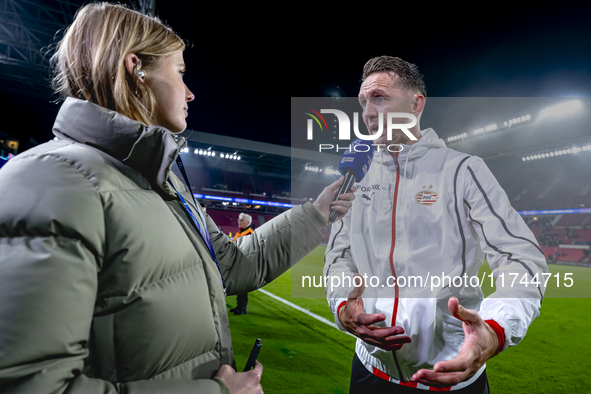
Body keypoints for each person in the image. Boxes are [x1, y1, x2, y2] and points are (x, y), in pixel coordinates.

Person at [0, 3, 356, 393]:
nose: (189, 92)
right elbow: (30, 385)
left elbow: (235, 266)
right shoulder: (51, 180)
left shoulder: (164, 180)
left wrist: (318, 212)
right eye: (180, 72)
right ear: (136, 68)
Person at [324, 56, 548, 392]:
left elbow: (521, 258)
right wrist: (344, 304)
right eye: (363, 102)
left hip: (449, 375)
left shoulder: (463, 171)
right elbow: (339, 256)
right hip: (369, 369)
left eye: (380, 98)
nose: (368, 113)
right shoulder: (357, 176)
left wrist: (496, 328)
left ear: (416, 104)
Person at [230, 213, 255, 315]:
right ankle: (239, 306)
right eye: (239, 220)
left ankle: (243, 308)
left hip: (244, 264)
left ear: (248, 223)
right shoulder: (239, 233)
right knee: (239, 287)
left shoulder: (249, 234)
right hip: (238, 263)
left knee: (243, 288)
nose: (239, 222)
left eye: (242, 220)